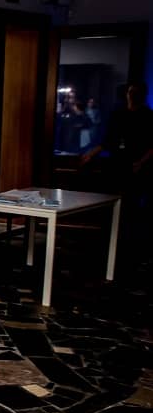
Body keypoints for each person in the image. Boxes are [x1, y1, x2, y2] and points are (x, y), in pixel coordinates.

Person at [82, 81, 153, 273]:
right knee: (111, 206)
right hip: (117, 166)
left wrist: (141, 162)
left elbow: (152, 145)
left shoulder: (148, 117)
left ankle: (129, 252)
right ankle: (107, 249)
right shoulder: (118, 114)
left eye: (136, 92)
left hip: (136, 168)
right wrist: (91, 154)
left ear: (142, 95)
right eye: (130, 92)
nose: (132, 95)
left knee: (131, 209)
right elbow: (108, 140)